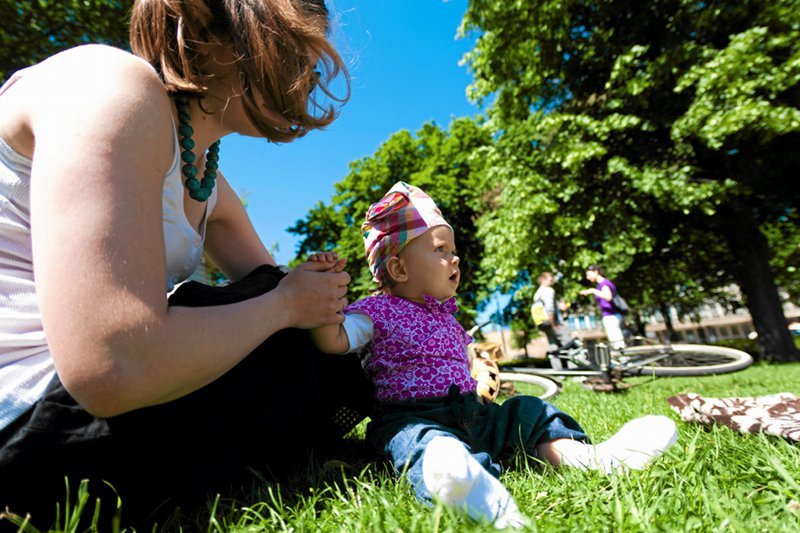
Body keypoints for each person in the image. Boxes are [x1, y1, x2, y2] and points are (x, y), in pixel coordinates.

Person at [0, 1, 370, 528]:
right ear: (206, 25)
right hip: (28, 417)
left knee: (295, 323)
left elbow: (284, 303)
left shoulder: (208, 181)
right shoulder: (108, 86)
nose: (313, 69)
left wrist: (308, 297)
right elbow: (111, 365)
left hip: (103, 408)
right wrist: (285, 305)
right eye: (298, 40)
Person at [309, 182, 678, 529]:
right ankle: (456, 481)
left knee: (527, 413)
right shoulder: (376, 311)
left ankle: (589, 459)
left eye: (453, 251)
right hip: (410, 418)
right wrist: (321, 294)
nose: (454, 260)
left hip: (475, 414)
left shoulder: (447, 316)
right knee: (422, 446)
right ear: (398, 268)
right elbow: (334, 340)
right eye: (440, 250)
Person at [532, 271, 578, 368]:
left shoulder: (537, 294)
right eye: (550, 278)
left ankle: (558, 372)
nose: (552, 280)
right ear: (543, 280)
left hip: (543, 324)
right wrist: (554, 323)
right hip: (553, 322)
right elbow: (550, 308)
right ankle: (575, 372)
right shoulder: (549, 290)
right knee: (569, 345)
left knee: (553, 346)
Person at [580, 265, 625, 349]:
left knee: (616, 342)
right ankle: (622, 358)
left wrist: (592, 291)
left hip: (611, 315)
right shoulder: (603, 284)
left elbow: (608, 297)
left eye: (588, 274)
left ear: (596, 272)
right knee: (616, 340)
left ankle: (623, 359)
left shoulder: (603, 283)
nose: (587, 277)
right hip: (611, 315)